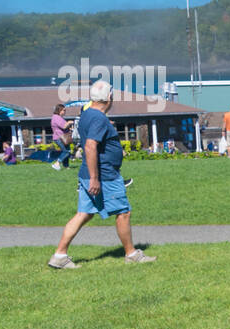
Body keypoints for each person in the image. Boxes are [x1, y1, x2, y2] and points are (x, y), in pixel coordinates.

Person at [47, 80, 155, 268]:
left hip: (89, 173)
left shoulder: (87, 114)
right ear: (109, 98)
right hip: (104, 175)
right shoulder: (98, 118)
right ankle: (131, 254)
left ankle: (59, 256)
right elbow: (90, 146)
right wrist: (95, 178)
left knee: (84, 214)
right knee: (123, 212)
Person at [49, 103, 73, 169]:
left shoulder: (58, 117)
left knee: (67, 151)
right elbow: (64, 126)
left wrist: (69, 128)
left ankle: (66, 166)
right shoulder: (56, 118)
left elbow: (63, 127)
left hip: (62, 137)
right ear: (59, 110)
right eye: (64, 110)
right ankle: (57, 163)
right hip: (59, 138)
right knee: (66, 152)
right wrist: (69, 122)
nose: (65, 112)